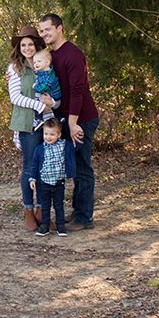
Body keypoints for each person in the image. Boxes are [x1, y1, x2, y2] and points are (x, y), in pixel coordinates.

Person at [37, 13, 100, 230]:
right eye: (41, 30)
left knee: (82, 168)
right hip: (67, 119)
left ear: (60, 28)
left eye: (48, 29)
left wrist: (73, 124)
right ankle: (78, 212)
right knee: (71, 166)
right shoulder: (52, 55)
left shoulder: (73, 55)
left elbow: (77, 92)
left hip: (82, 119)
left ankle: (85, 218)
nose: (44, 34)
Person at [6, 25, 53, 231]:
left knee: (47, 168)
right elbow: (15, 97)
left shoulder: (47, 65)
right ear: (19, 47)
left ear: (37, 45)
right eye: (23, 44)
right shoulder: (15, 68)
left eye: (30, 44)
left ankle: (42, 210)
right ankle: (28, 209)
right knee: (30, 167)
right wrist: (40, 105)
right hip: (28, 124)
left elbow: (55, 94)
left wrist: (53, 104)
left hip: (48, 123)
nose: (27, 48)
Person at [28, 119, 74, 237]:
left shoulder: (64, 145)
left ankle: (60, 226)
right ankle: (45, 226)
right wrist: (33, 179)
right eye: (46, 134)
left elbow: (76, 147)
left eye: (52, 134)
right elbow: (34, 165)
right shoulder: (39, 149)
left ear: (59, 135)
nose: (48, 137)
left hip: (59, 182)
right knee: (45, 205)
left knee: (58, 205)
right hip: (44, 182)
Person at [31, 49, 62, 130]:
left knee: (38, 101)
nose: (36, 64)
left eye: (39, 61)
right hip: (49, 94)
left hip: (54, 96)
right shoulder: (43, 72)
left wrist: (35, 86)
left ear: (47, 62)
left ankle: (40, 119)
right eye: (34, 62)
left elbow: (43, 87)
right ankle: (47, 119)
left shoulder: (48, 75)